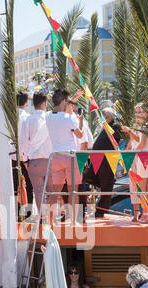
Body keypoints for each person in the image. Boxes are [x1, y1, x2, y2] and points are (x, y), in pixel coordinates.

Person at [45, 89, 84, 222]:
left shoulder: (48, 116)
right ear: (63, 102)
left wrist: (73, 98)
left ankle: (48, 222)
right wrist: (81, 121)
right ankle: (74, 221)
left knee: (55, 191)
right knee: (73, 191)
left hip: (55, 157)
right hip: (70, 156)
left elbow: (63, 109)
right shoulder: (68, 118)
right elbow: (80, 134)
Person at [82, 107, 123, 218]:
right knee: (85, 176)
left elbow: (115, 139)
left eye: (103, 116)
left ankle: (101, 210)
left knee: (106, 185)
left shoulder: (115, 126)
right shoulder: (105, 126)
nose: (101, 119)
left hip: (108, 159)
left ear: (108, 117)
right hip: (98, 158)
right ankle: (85, 205)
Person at [121, 103, 148, 223]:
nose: (138, 114)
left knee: (145, 187)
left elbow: (142, 144)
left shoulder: (146, 127)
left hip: (145, 156)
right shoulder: (142, 126)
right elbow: (137, 139)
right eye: (137, 112)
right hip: (147, 156)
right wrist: (130, 131)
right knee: (145, 186)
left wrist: (132, 154)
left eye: (141, 112)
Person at [21, 91, 54, 216]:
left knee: (38, 192)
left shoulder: (28, 120)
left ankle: (43, 218)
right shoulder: (50, 118)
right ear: (45, 103)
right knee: (51, 191)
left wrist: (25, 160)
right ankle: (51, 218)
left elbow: (23, 142)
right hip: (50, 160)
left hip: (34, 161)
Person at [11, 91, 33, 220]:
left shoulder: (9, 116)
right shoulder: (27, 117)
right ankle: (28, 212)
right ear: (26, 102)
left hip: (11, 155)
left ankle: (16, 212)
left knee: (14, 186)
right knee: (29, 186)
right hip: (26, 155)